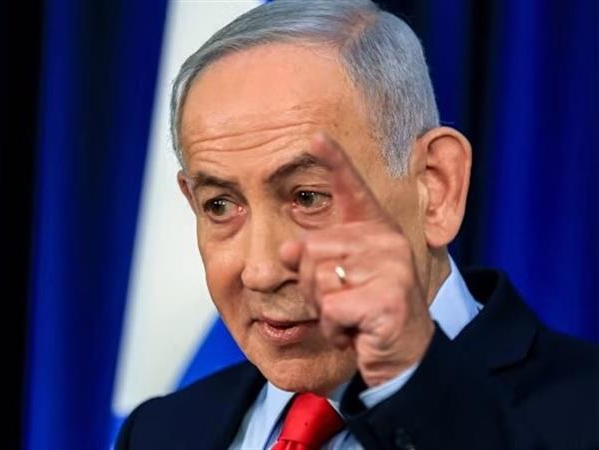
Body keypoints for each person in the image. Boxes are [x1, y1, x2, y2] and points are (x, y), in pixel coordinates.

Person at [115, 1, 599, 449]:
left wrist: (408, 377)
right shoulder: (158, 433)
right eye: (220, 205)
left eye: (308, 197)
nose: (261, 271)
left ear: (436, 186)